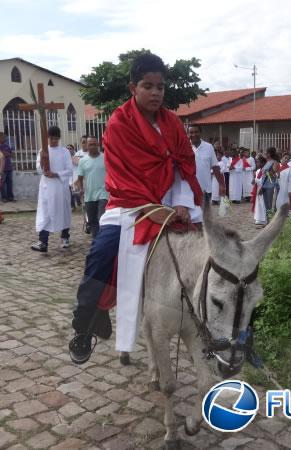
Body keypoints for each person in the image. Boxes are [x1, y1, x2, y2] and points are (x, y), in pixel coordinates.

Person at [70, 53, 203, 364]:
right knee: (101, 254)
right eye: (148, 86)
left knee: (205, 254)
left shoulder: (173, 123)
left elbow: (184, 165)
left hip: (171, 204)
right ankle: (86, 323)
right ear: (133, 87)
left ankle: (211, 323)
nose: (156, 92)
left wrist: (182, 202)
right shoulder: (119, 123)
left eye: (160, 86)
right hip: (128, 206)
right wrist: (149, 208)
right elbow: (120, 176)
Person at [31, 126, 73, 252]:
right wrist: (43, 159)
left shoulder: (64, 152)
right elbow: (39, 169)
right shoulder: (43, 150)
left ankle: (65, 237)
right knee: (45, 213)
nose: (53, 141)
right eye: (51, 138)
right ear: (47, 138)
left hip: (60, 187)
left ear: (59, 138)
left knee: (64, 212)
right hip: (46, 188)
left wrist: (56, 174)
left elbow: (69, 170)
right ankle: (43, 242)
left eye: (56, 139)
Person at [75, 136, 108, 238]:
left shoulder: (105, 158)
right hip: (89, 195)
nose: (93, 146)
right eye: (90, 144)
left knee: (101, 218)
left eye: (95, 144)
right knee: (93, 221)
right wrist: (81, 189)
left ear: (98, 145)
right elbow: (80, 178)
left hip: (104, 193)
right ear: (87, 146)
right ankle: (96, 241)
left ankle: (102, 241)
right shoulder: (82, 161)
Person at [188, 124, 225, 203]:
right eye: (191, 132)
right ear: (188, 134)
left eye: (196, 132)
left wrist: (221, 185)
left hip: (205, 190)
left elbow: (215, 167)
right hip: (188, 190)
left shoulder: (209, 147)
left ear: (200, 133)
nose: (193, 134)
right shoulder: (184, 147)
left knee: (205, 215)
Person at [0, 132, 15, 202]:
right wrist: (4, 154)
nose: (5, 138)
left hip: (9, 167)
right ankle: (4, 197)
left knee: (10, 183)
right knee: (2, 183)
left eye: (5, 137)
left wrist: (7, 154)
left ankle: (10, 197)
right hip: (1, 168)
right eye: (3, 137)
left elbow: (12, 155)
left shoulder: (7, 146)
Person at [261, 147, 279, 216]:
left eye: (266, 152)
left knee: (270, 204)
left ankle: (271, 221)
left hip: (271, 185)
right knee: (266, 204)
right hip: (264, 184)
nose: (264, 153)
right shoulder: (267, 162)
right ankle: (267, 221)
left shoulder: (275, 162)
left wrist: (266, 172)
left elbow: (273, 172)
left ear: (269, 154)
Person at [71, 136, 88, 210]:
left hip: (90, 180)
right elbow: (75, 168)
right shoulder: (77, 154)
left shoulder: (92, 153)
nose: (85, 144)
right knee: (83, 200)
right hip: (81, 180)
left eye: (86, 142)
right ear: (80, 143)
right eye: (83, 142)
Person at [251, 155, 267, 226]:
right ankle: (259, 218)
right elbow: (257, 181)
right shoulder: (258, 171)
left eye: (258, 162)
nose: (257, 164)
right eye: (256, 162)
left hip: (264, 189)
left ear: (263, 163)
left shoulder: (266, 170)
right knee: (258, 203)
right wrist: (253, 180)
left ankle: (264, 219)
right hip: (258, 188)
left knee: (263, 203)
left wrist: (255, 180)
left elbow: (263, 181)